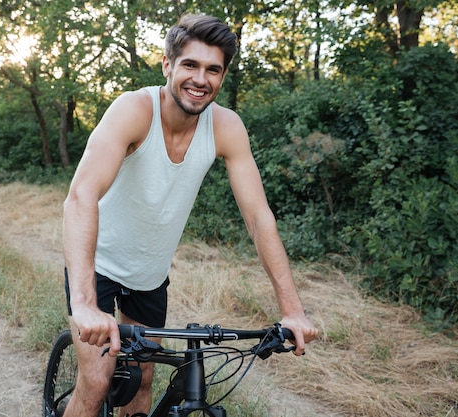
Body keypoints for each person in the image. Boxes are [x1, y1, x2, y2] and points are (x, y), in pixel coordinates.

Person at [61, 13, 318, 417]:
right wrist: (85, 303)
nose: (201, 79)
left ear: (223, 76)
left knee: (142, 380)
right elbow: (80, 198)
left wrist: (293, 310)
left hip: (149, 274)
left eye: (213, 69)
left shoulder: (226, 127)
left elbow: (258, 216)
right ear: (168, 65)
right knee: (97, 380)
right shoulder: (134, 110)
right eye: (190, 65)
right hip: (100, 265)